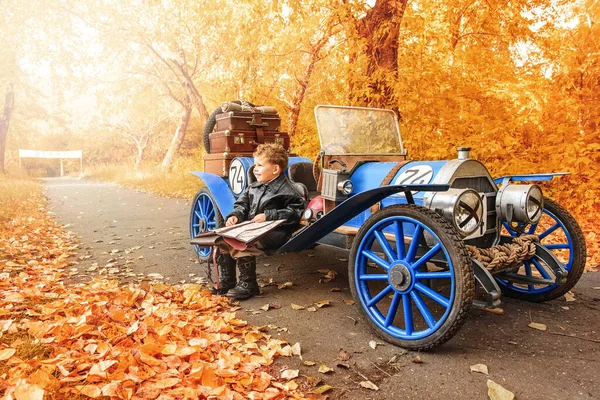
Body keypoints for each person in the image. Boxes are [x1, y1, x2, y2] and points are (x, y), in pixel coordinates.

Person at [213, 143, 306, 300]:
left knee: (240, 242)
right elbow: (242, 205)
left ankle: (249, 284)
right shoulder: (254, 187)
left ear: (275, 169)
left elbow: (295, 213)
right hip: (255, 228)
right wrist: (235, 215)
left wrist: (268, 215)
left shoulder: (289, 191)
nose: (254, 169)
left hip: (276, 232)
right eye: (255, 165)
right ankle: (227, 280)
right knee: (223, 239)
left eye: (260, 165)